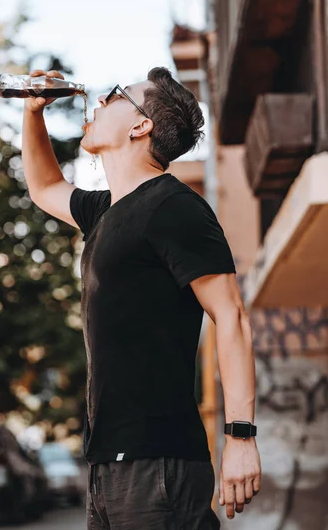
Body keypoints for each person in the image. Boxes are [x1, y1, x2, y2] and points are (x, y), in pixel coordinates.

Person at [22, 67, 261, 529]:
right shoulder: (105, 213)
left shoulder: (174, 207)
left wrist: (241, 438)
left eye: (114, 96)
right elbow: (45, 188)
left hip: (159, 467)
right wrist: (33, 113)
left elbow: (231, 317)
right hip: (109, 463)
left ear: (140, 125)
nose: (98, 103)